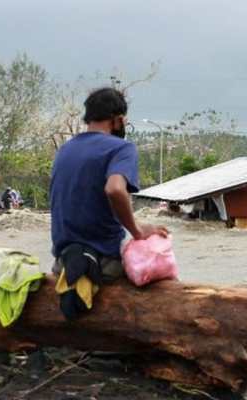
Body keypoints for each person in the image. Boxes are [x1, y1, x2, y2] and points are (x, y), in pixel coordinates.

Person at [50, 87, 168, 285]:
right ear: (118, 119)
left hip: (63, 263)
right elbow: (114, 189)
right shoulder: (121, 148)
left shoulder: (65, 149)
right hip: (103, 264)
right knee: (159, 266)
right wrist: (138, 230)